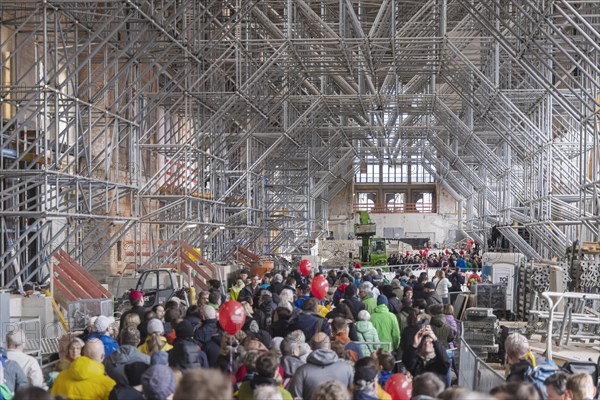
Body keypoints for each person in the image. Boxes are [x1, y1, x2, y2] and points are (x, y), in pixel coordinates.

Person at [290, 332, 354, 400]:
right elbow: (353, 394)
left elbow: (296, 397)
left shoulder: (302, 371)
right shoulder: (347, 368)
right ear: (329, 346)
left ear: (311, 347)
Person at [52, 338, 117, 399]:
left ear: (82, 353)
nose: (75, 351)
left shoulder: (60, 377)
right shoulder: (109, 385)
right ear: (102, 356)